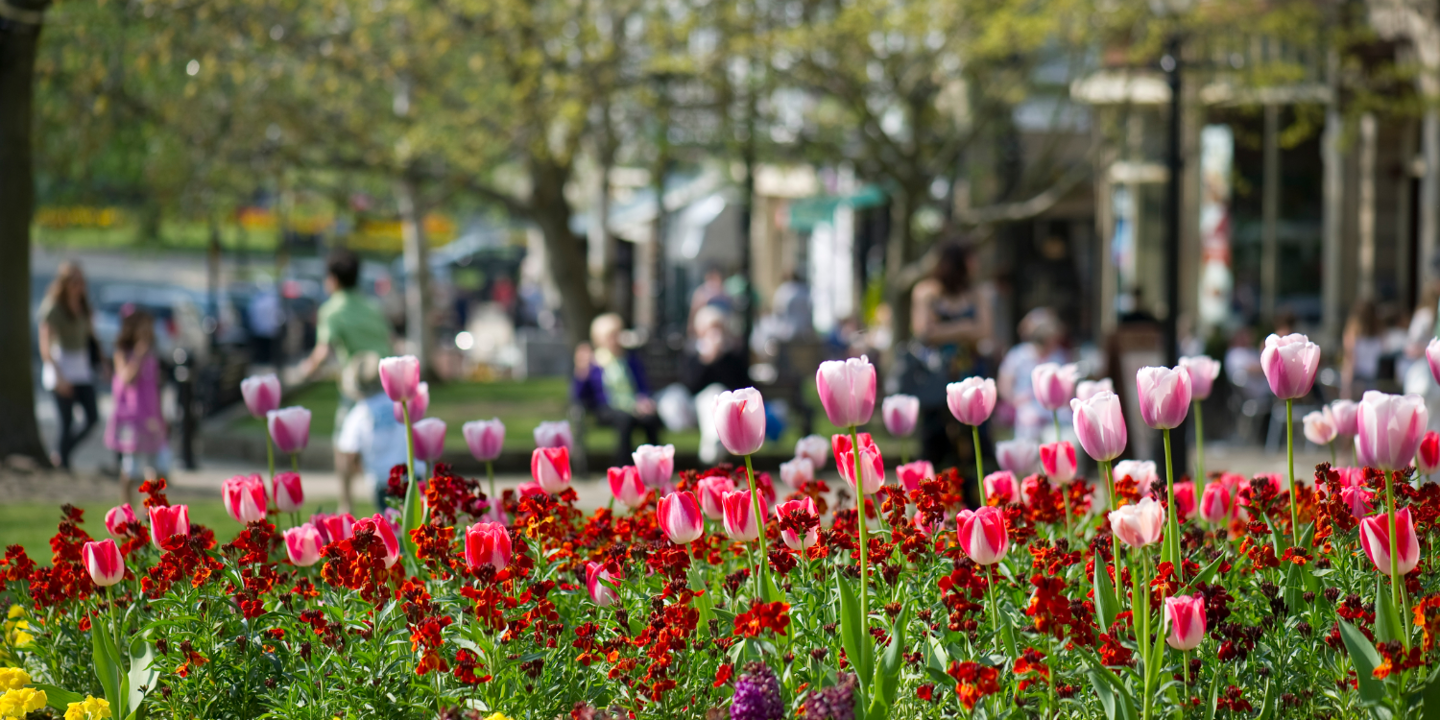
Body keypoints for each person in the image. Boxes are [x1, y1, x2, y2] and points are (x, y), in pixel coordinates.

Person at [297, 250, 397, 510]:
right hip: (387, 385)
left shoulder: (332, 310)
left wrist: (303, 372)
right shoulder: (371, 306)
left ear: (332, 279)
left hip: (359, 387)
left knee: (343, 442)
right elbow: (390, 341)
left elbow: (323, 351)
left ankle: (346, 502)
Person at [904, 241, 993, 490]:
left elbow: (985, 331)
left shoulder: (976, 294)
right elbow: (923, 332)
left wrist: (946, 330)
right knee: (935, 438)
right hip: (936, 378)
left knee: (976, 437)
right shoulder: (927, 292)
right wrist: (965, 328)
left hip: (970, 374)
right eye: (971, 259)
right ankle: (932, 494)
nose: (976, 265)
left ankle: (974, 494)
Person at [334, 352, 422, 514]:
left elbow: (347, 457)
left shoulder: (358, 416)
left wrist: (346, 501)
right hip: (416, 475)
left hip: (384, 483)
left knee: (395, 533)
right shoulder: (404, 403)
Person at [573, 313, 662, 461]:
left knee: (650, 419)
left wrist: (644, 400)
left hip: (633, 405)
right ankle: (623, 468)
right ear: (599, 338)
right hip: (606, 408)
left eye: (617, 334)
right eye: (610, 335)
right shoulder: (593, 362)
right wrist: (582, 374)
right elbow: (579, 395)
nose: (615, 339)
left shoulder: (629, 359)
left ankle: (654, 465)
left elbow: (642, 386)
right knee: (624, 419)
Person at [38, 262, 99, 470]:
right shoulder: (54, 307)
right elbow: (45, 345)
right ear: (64, 283)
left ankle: (62, 453)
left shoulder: (84, 306)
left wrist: (104, 361)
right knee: (67, 421)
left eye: (81, 281)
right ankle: (63, 463)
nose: (79, 286)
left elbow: (92, 337)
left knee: (92, 417)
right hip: (61, 365)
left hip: (81, 366)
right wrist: (59, 376)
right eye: (74, 281)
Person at [104, 310, 170, 490]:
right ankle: (126, 507)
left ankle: (147, 508)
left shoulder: (152, 353)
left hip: (150, 415)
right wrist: (139, 355)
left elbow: (156, 387)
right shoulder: (123, 352)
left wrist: (161, 415)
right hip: (132, 416)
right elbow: (126, 378)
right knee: (131, 467)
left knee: (159, 465)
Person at [998, 308, 1072, 442]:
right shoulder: (1018, 356)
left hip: (1057, 411)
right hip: (1028, 411)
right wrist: (1014, 399)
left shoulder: (1060, 356)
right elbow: (1004, 384)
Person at [1341, 297, 1383, 399]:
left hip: (1358, 381)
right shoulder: (1380, 334)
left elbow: (1349, 362)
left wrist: (1345, 387)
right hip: (1376, 380)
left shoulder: (1352, 334)